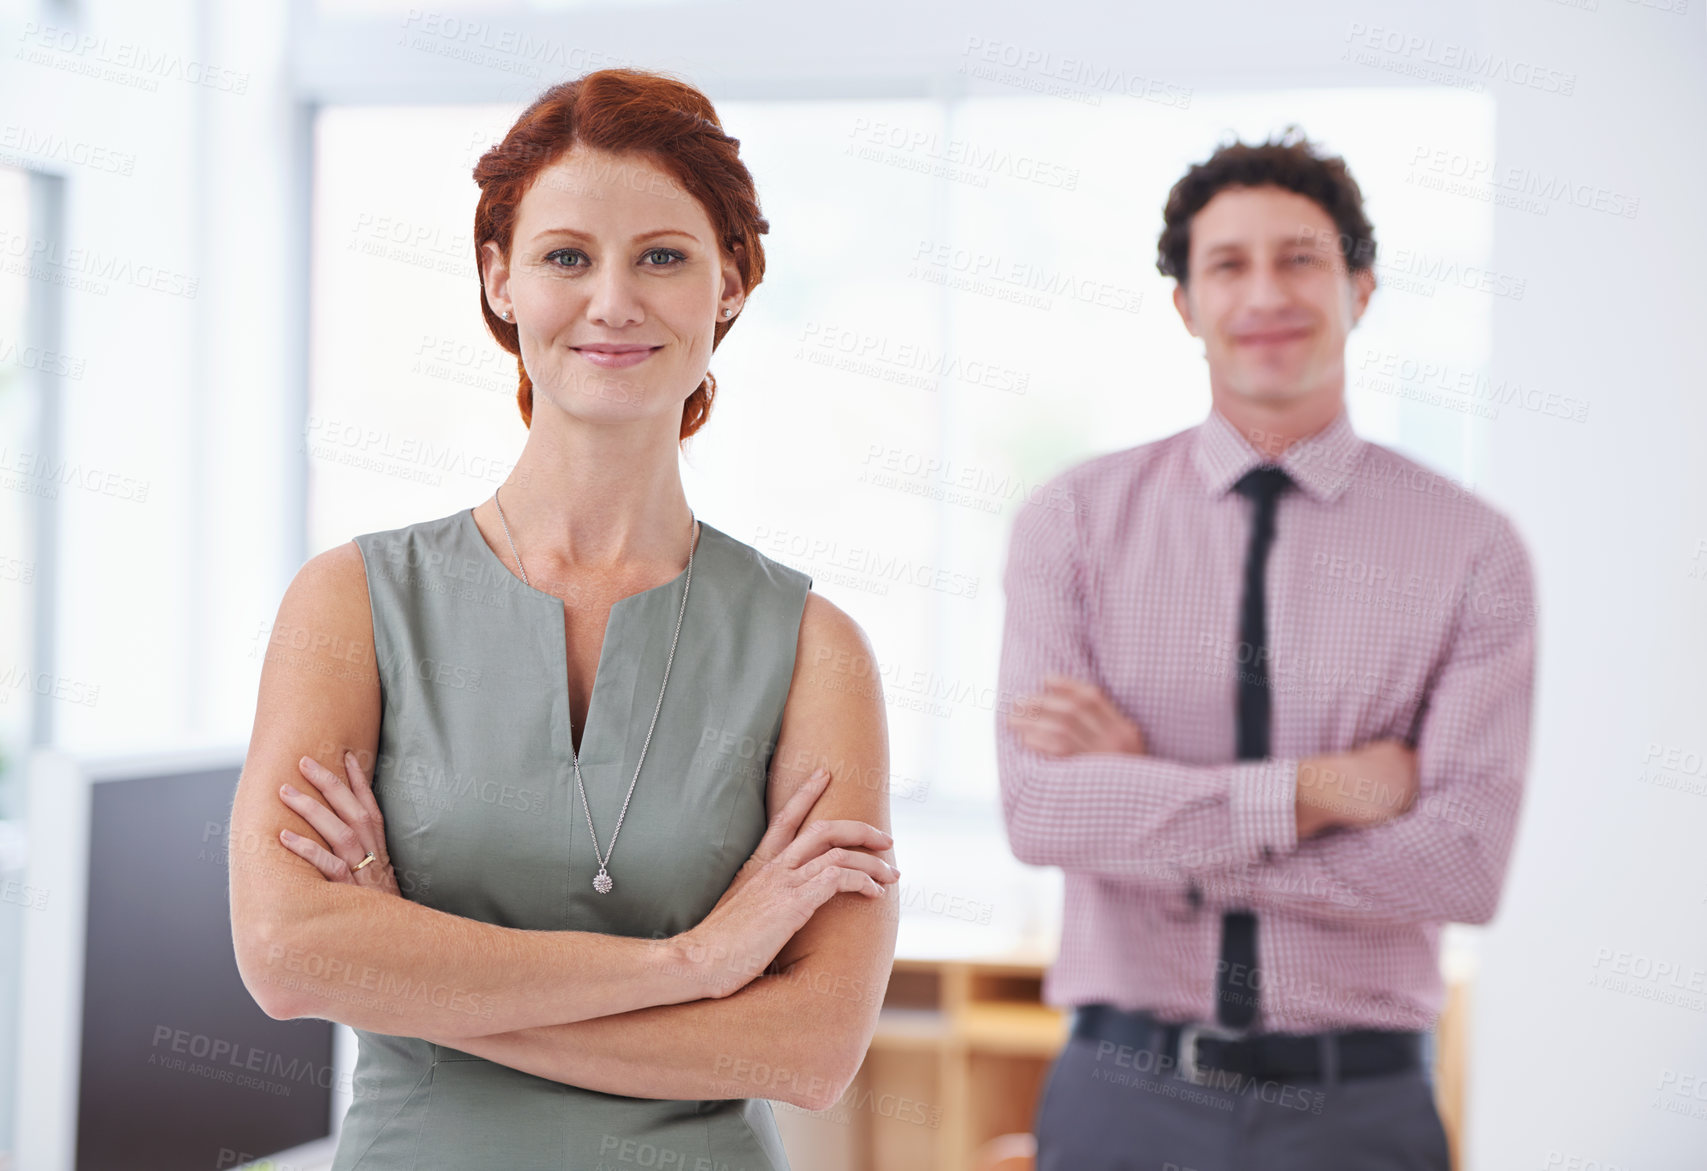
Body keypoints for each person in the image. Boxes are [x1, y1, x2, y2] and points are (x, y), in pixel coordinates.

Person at [227, 68, 900, 1170]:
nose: (615, 302)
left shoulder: (815, 651)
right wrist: (695, 963)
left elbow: (811, 1049)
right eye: (567, 256)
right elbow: (287, 952)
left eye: (665, 257)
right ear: (500, 280)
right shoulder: (352, 602)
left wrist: (409, 967)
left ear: (731, 283)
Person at [997, 128, 1537, 1169]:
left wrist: (1155, 807)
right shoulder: (1069, 523)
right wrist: (1322, 792)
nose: (1266, 295)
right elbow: (1043, 810)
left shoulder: (1471, 550)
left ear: (1361, 287)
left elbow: (1464, 865)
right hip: (1122, 1098)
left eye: (1300, 258)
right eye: (1228, 265)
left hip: (1357, 1108)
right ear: (1185, 306)